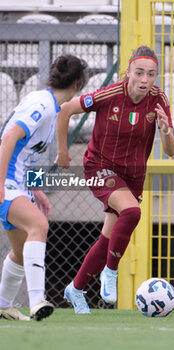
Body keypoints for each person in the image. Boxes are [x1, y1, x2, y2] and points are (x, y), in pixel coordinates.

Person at [55, 45, 174, 314]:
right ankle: (110, 273)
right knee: (132, 212)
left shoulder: (158, 99)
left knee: (107, 240)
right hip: (99, 167)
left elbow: (171, 151)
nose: (145, 79)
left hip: (133, 176)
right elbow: (64, 110)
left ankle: (75, 289)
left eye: (151, 74)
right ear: (128, 73)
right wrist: (63, 153)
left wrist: (166, 130)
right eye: (140, 73)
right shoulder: (109, 94)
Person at [0, 54, 88, 321]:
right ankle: (37, 300)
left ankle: (3, 305)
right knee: (39, 225)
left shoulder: (51, 105)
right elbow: (9, 137)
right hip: (7, 181)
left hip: (17, 181)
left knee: (21, 249)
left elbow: (24, 152)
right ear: (78, 85)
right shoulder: (44, 105)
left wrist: (35, 190)